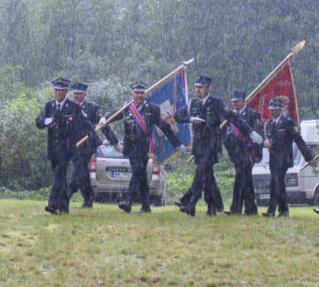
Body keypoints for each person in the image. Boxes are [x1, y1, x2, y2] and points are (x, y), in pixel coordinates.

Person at [171, 76, 263, 216]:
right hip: (198, 145)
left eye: (201, 87)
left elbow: (233, 117)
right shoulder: (193, 103)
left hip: (211, 143)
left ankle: (190, 201)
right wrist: (189, 119)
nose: (198, 90)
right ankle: (213, 207)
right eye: (196, 87)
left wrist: (250, 132)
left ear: (208, 88)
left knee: (201, 171)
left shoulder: (216, 103)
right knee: (207, 176)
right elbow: (177, 116)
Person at [104, 82, 186, 213]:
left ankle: (128, 200)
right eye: (137, 93)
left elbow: (164, 128)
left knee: (137, 171)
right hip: (130, 146)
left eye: (142, 93)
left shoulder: (153, 109)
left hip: (143, 145)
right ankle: (146, 206)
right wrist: (104, 118)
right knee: (141, 175)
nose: (139, 96)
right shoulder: (126, 108)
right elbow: (112, 116)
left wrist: (177, 144)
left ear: (145, 93)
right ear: (132, 94)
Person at [36, 77, 91, 215]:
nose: (58, 93)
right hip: (53, 149)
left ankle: (52, 204)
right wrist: (45, 122)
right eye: (56, 90)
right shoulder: (49, 106)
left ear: (66, 91)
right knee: (59, 177)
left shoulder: (74, 107)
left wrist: (98, 143)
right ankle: (64, 207)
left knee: (60, 174)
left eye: (61, 90)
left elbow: (87, 126)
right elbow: (38, 122)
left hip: (67, 149)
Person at [68, 81, 118, 209]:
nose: (76, 96)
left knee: (80, 169)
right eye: (75, 94)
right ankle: (88, 199)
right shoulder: (68, 107)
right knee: (81, 172)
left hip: (87, 145)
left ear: (85, 94)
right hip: (72, 145)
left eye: (79, 94)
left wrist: (114, 142)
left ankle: (66, 194)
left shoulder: (92, 108)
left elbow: (103, 126)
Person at [264, 98, 316, 217]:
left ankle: (279, 211)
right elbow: (268, 140)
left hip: (284, 158)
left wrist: (309, 157)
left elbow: (299, 141)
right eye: (270, 110)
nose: (272, 112)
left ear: (280, 110)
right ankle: (275, 211)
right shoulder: (269, 124)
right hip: (273, 159)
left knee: (278, 183)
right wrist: (265, 143)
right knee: (274, 184)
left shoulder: (288, 123)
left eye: (274, 110)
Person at [222, 90, 264, 215]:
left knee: (240, 179)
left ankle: (237, 208)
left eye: (236, 101)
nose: (234, 103)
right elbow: (228, 135)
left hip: (248, 152)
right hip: (236, 153)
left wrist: (258, 154)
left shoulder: (252, 114)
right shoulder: (231, 116)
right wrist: (229, 150)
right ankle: (250, 209)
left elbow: (257, 135)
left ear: (243, 101)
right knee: (246, 180)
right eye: (232, 102)